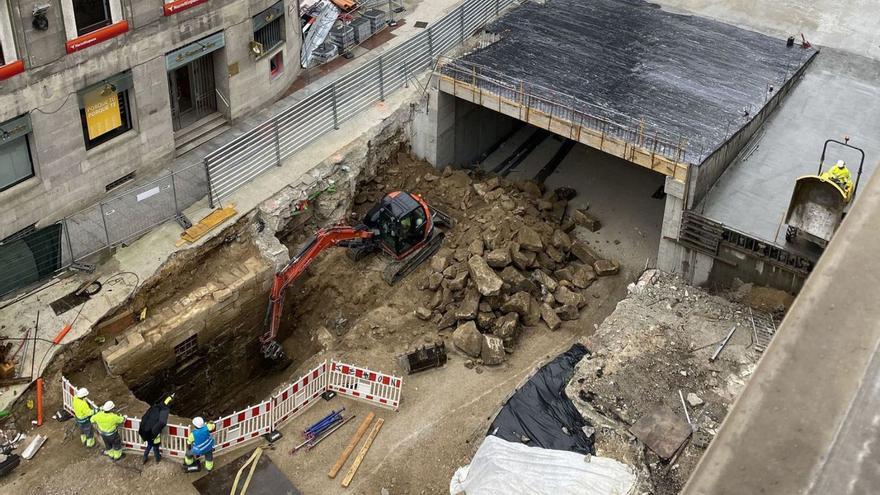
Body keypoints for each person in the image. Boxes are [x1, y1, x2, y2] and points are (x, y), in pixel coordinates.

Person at [137, 395, 173, 464]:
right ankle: (157, 459)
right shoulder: (158, 419)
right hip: (154, 437)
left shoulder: (151, 413)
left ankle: (145, 456)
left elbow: (164, 403)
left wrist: (170, 398)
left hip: (147, 434)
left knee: (149, 446)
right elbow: (161, 423)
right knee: (155, 448)